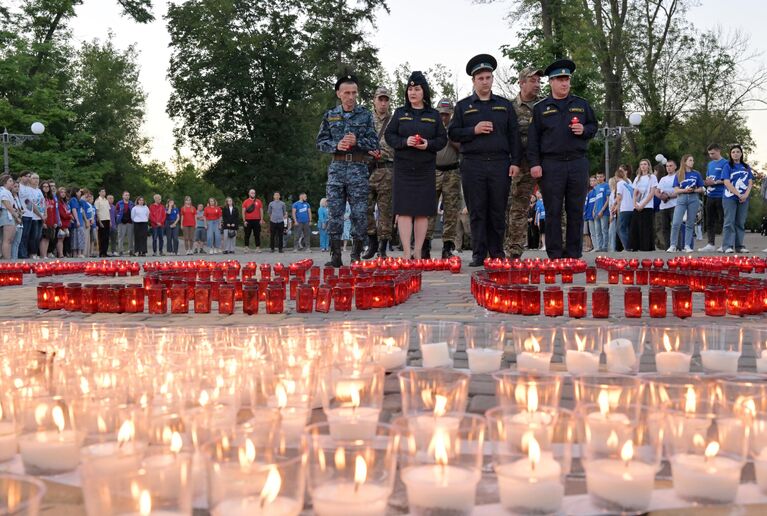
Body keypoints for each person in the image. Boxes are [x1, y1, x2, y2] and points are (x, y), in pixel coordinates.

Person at [448, 54, 522, 266]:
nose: (485, 81)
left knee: (497, 209)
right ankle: (479, 253)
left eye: (488, 77)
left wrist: (515, 162)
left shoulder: (504, 106)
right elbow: (453, 133)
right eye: (480, 78)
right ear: (473, 81)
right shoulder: (463, 106)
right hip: (473, 163)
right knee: (477, 210)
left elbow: (514, 136)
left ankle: (497, 251)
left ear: (492, 79)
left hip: (500, 163)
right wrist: (474, 130)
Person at [528, 58, 597, 259]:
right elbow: (533, 140)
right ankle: (555, 255)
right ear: (551, 82)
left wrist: (584, 129)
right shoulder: (541, 108)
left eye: (567, 79)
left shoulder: (581, 104)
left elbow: (594, 127)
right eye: (560, 79)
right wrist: (535, 164)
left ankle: (574, 254)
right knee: (553, 211)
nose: (564, 83)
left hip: (577, 162)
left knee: (576, 210)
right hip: (551, 165)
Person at [316, 73, 379, 266]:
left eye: (354, 93)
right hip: (337, 168)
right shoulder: (330, 115)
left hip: (358, 169)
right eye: (347, 93)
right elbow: (320, 142)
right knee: (335, 213)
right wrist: (336, 145)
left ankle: (356, 256)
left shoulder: (366, 115)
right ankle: (335, 257)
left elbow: (374, 142)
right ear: (339, 94)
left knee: (359, 213)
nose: (351, 96)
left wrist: (357, 141)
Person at [385, 71, 448, 259]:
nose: (412, 93)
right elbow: (390, 136)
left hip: (425, 169)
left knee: (422, 211)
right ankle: (406, 253)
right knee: (404, 210)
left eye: (417, 89)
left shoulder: (434, 115)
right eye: (410, 89)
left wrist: (428, 144)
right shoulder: (400, 113)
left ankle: (418, 252)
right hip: (404, 168)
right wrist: (405, 142)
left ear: (424, 92)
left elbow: (442, 140)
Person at [503, 66, 544, 259]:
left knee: (554, 206)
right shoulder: (509, 108)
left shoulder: (545, 106)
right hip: (519, 165)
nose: (537, 85)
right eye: (532, 81)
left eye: (538, 81)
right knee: (518, 207)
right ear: (521, 83)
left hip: (544, 163)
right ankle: (514, 251)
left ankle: (558, 251)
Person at [425, 98, 462, 259]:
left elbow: (463, 148)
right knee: (428, 210)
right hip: (433, 171)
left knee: (451, 211)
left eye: (446, 114)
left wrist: (451, 137)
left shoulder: (456, 128)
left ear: (451, 114)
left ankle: (448, 246)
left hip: (452, 172)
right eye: (441, 114)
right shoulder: (430, 128)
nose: (444, 118)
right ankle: (424, 245)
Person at [362, 86, 395, 259]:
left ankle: (383, 246)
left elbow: (398, 145)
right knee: (365, 208)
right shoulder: (365, 119)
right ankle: (372, 241)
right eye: (380, 99)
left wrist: (384, 153)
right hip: (367, 170)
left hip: (386, 169)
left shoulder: (395, 121)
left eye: (386, 99)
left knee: (385, 211)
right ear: (374, 100)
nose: (383, 103)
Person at [668, 155, 704, 252]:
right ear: (684, 162)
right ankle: (673, 245)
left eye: (693, 160)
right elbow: (676, 190)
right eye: (690, 160)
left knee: (690, 223)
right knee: (676, 222)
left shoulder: (697, 174)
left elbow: (701, 188)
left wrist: (694, 190)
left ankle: (687, 245)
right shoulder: (679, 174)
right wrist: (685, 190)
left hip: (693, 198)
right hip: (682, 198)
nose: (692, 162)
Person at [721, 144, 754, 254]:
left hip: (744, 199)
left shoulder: (746, 167)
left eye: (737, 152)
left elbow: (750, 182)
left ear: (741, 154)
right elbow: (726, 182)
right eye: (733, 152)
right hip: (730, 198)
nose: (735, 153)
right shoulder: (727, 166)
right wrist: (738, 194)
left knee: (740, 222)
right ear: (730, 154)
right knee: (729, 222)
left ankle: (739, 246)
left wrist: (745, 195)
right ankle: (727, 246)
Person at [700, 143, 728, 252]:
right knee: (709, 220)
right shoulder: (710, 164)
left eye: (712, 153)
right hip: (710, 195)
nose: (711, 155)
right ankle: (710, 244)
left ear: (718, 150)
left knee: (722, 220)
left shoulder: (726, 163)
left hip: (721, 195)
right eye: (709, 154)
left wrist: (715, 182)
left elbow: (727, 179)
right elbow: (709, 177)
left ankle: (724, 244)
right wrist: (706, 182)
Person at [629, 159, 658, 251]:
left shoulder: (652, 177)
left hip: (647, 205)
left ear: (648, 166)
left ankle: (646, 247)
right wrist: (634, 203)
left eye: (645, 164)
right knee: (635, 226)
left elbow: (652, 192)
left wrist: (643, 204)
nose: (643, 166)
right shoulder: (637, 178)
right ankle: (635, 246)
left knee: (646, 227)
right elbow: (634, 192)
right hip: (636, 205)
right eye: (641, 164)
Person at [655, 159, 679, 251]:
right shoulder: (663, 179)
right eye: (667, 166)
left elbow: (679, 191)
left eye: (671, 166)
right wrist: (661, 196)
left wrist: (668, 196)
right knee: (664, 227)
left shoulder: (678, 177)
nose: (668, 168)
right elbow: (657, 191)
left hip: (674, 205)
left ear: (675, 167)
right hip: (664, 206)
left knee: (675, 226)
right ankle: (667, 246)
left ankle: (677, 246)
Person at [613, 165, 634, 251]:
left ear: (617, 176)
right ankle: (631, 245)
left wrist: (615, 207)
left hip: (624, 208)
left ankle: (627, 247)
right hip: (631, 208)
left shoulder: (620, 183)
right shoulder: (628, 183)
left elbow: (619, 197)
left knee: (620, 229)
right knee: (627, 228)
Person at [0, 174, 19, 259]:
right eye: (10, 181)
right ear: (4, 182)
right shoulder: (3, 191)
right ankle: (7, 259)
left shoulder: (7, 192)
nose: (12, 183)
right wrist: (16, 216)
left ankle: (8, 257)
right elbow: (7, 205)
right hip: (7, 215)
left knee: (9, 240)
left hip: (10, 215)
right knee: (6, 240)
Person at [592, 172, 610, 252]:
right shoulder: (596, 187)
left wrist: (602, 210)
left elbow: (608, 199)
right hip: (596, 212)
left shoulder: (606, 185)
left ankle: (604, 247)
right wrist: (593, 210)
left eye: (600, 176)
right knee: (597, 231)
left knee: (604, 230)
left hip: (604, 212)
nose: (599, 178)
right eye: (597, 177)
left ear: (604, 177)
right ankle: (599, 247)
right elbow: (596, 200)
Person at [39, 181, 57, 259]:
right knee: (44, 237)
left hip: (51, 221)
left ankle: (45, 254)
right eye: (44, 186)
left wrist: (55, 221)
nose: (46, 188)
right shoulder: (41, 197)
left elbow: (54, 211)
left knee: (48, 238)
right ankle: (43, 255)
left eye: (47, 187)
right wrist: (43, 222)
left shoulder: (51, 198)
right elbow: (41, 210)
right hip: (44, 220)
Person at [115, 191, 134, 256]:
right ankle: (120, 251)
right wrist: (118, 218)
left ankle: (131, 250)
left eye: (128, 195)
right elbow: (116, 211)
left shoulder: (131, 203)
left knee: (130, 237)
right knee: (121, 237)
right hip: (121, 222)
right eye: (126, 195)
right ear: (123, 196)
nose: (127, 196)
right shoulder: (119, 203)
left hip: (130, 222)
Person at [94, 189, 111, 257]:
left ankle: (105, 252)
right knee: (102, 237)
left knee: (106, 237)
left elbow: (108, 211)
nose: (104, 193)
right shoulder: (97, 201)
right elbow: (97, 212)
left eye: (104, 191)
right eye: (102, 191)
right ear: (99, 193)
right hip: (102, 220)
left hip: (107, 219)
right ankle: (101, 252)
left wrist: (110, 221)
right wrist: (99, 221)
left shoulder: (106, 200)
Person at [56, 187, 72, 258]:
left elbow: (67, 212)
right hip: (61, 223)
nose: (63, 194)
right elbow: (63, 214)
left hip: (66, 223)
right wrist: (70, 216)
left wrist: (68, 215)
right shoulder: (59, 203)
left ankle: (62, 253)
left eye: (64, 192)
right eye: (61, 192)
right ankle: (60, 254)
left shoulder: (64, 202)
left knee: (63, 239)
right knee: (60, 239)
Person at [583, 177, 596, 252]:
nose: (592, 182)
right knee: (586, 232)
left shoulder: (594, 191)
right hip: (586, 215)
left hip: (592, 214)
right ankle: (589, 246)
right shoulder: (589, 193)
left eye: (593, 180)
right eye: (590, 181)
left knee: (592, 232)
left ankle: (592, 246)